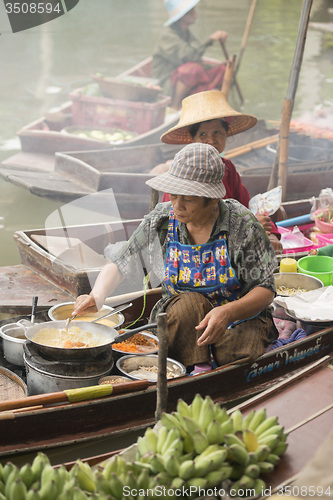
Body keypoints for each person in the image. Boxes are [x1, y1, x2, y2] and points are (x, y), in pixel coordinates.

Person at [73, 143, 278, 372]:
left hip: (237, 315)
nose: (177, 206)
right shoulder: (162, 220)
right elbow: (123, 261)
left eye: (188, 199)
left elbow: (265, 289)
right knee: (190, 304)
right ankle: (196, 366)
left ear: (211, 199)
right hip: (182, 317)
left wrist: (228, 312)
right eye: (173, 195)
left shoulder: (242, 225)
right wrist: (96, 296)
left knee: (235, 354)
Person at [153, 90, 283, 254]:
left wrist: (271, 234)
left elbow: (246, 209)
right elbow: (180, 228)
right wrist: (249, 227)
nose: (211, 140)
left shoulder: (228, 169)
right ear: (192, 139)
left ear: (226, 134)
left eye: (217, 132)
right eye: (203, 134)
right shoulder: (180, 174)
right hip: (190, 252)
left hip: (229, 247)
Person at [152, 0, 228, 109]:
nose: (194, 13)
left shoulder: (186, 33)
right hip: (165, 84)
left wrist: (222, 65)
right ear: (181, 16)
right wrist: (210, 39)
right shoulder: (167, 35)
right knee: (193, 68)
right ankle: (175, 106)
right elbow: (190, 57)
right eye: (190, 11)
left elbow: (197, 56)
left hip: (182, 80)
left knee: (221, 70)